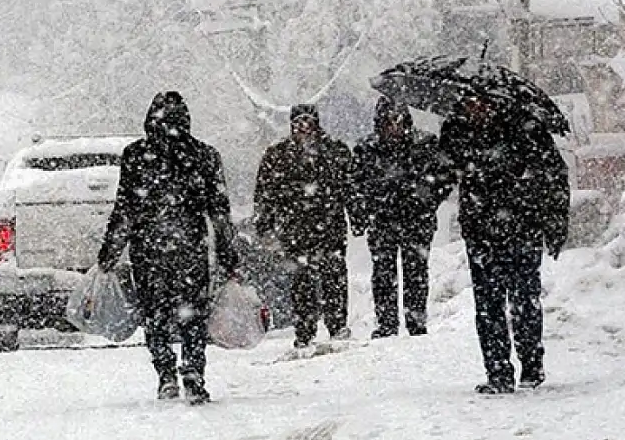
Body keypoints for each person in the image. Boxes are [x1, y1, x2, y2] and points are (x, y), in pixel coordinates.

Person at [98, 91, 239, 405]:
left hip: (149, 249)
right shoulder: (204, 155)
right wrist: (228, 253)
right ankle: (193, 373)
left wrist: (110, 251)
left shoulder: (136, 155)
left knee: (156, 314)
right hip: (190, 248)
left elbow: (125, 209)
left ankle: (165, 373)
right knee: (193, 316)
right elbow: (219, 210)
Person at [439, 95, 569, 394]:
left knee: (524, 300)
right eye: (470, 102)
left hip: (522, 228)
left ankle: (531, 367)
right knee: (488, 306)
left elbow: (553, 175)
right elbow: (442, 174)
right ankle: (498, 372)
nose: (476, 107)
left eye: (480, 102)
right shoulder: (456, 130)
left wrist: (554, 223)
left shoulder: (524, 127)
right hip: (481, 232)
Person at [252, 104, 354, 349]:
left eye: (308, 122)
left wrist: (358, 216)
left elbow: (350, 187)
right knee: (302, 282)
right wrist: (265, 225)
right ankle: (305, 330)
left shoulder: (335, 152)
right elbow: (265, 193)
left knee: (334, 277)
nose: (304, 128)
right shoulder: (278, 155)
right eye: (299, 122)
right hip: (296, 228)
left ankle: (337, 324)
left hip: (329, 226)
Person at [350, 97, 451, 339]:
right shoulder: (366, 149)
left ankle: (415, 322)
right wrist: (362, 213)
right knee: (383, 273)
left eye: (397, 120)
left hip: (416, 220)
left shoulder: (425, 145)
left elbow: (443, 178)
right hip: (382, 220)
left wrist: (427, 201)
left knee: (415, 272)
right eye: (387, 121)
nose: (393, 127)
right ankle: (386, 323)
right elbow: (355, 186)